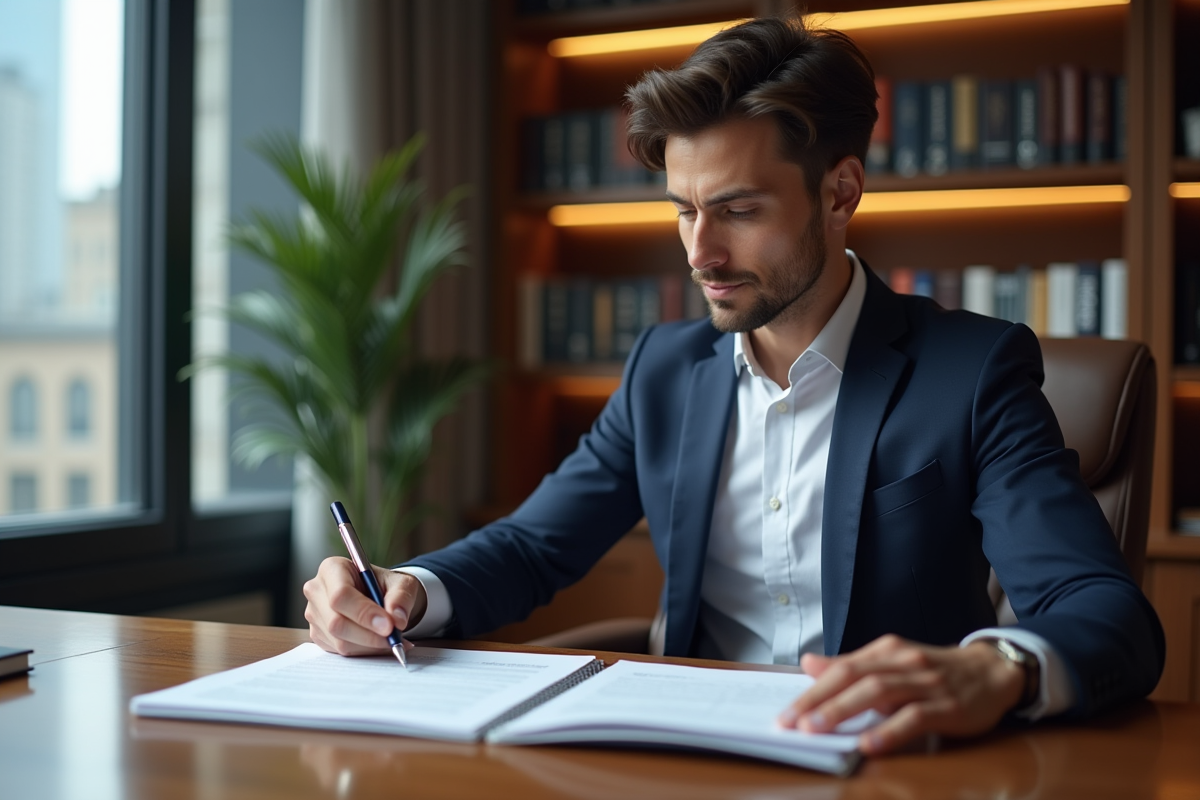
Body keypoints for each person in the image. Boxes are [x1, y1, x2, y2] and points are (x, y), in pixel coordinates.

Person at [304, 16, 1164, 755]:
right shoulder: (664, 373)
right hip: (685, 761)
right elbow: (534, 546)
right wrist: (405, 592)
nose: (699, 253)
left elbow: (1101, 609)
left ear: (840, 192)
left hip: (889, 763)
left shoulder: (971, 372)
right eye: (684, 208)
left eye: (739, 211)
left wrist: (996, 666)